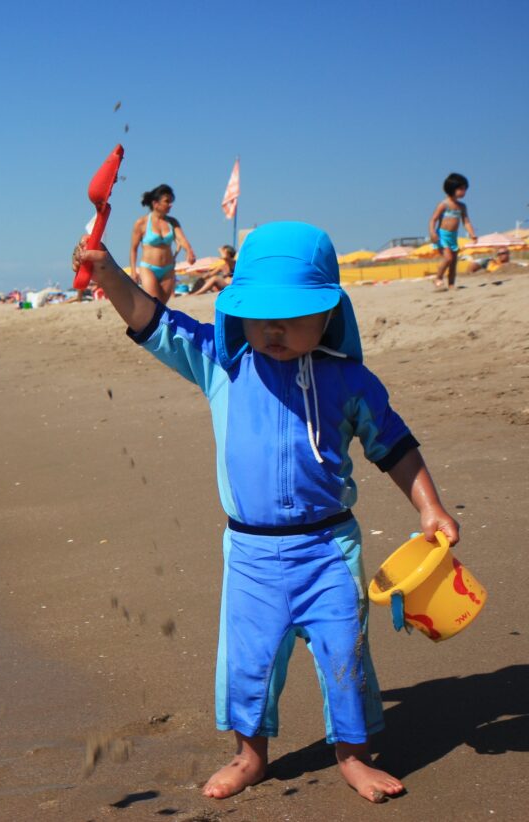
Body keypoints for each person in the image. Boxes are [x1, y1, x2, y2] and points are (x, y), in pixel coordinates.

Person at [73, 221, 459, 804]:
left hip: (329, 549)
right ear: (238, 313)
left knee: (344, 655)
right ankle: (249, 756)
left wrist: (429, 507)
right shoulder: (220, 364)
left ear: (329, 314)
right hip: (250, 554)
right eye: (261, 315)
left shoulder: (349, 381)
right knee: (248, 665)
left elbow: (394, 446)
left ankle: (354, 757)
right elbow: (150, 318)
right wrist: (106, 272)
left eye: (293, 316)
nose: (274, 329)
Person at [130, 184, 197, 304]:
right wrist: (134, 271)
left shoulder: (172, 222)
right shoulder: (142, 223)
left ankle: (160, 323)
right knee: (154, 304)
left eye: (171, 201)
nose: (170, 205)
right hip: (148, 268)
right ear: (155, 204)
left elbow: (181, 239)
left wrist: (189, 251)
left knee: (162, 305)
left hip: (168, 269)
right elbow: (133, 249)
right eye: (167, 201)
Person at [429, 172, 477, 291]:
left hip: (453, 236)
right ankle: (438, 278)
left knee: (453, 262)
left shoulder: (462, 206)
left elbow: (466, 221)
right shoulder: (444, 204)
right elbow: (433, 219)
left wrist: (472, 234)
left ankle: (451, 284)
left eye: (465, 189)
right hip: (442, 235)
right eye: (461, 189)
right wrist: (432, 232)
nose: (464, 192)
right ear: (452, 188)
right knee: (448, 258)